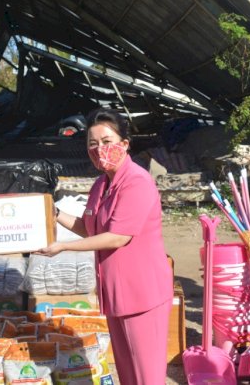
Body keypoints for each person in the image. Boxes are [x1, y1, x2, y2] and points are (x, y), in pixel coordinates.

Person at [38, 108, 173, 384]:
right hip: (116, 294)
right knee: (127, 373)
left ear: (124, 144)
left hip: (143, 294)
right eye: (93, 143)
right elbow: (91, 228)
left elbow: (117, 237)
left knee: (147, 376)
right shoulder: (101, 184)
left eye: (107, 141)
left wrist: (63, 248)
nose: (100, 149)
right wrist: (54, 214)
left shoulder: (137, 182)